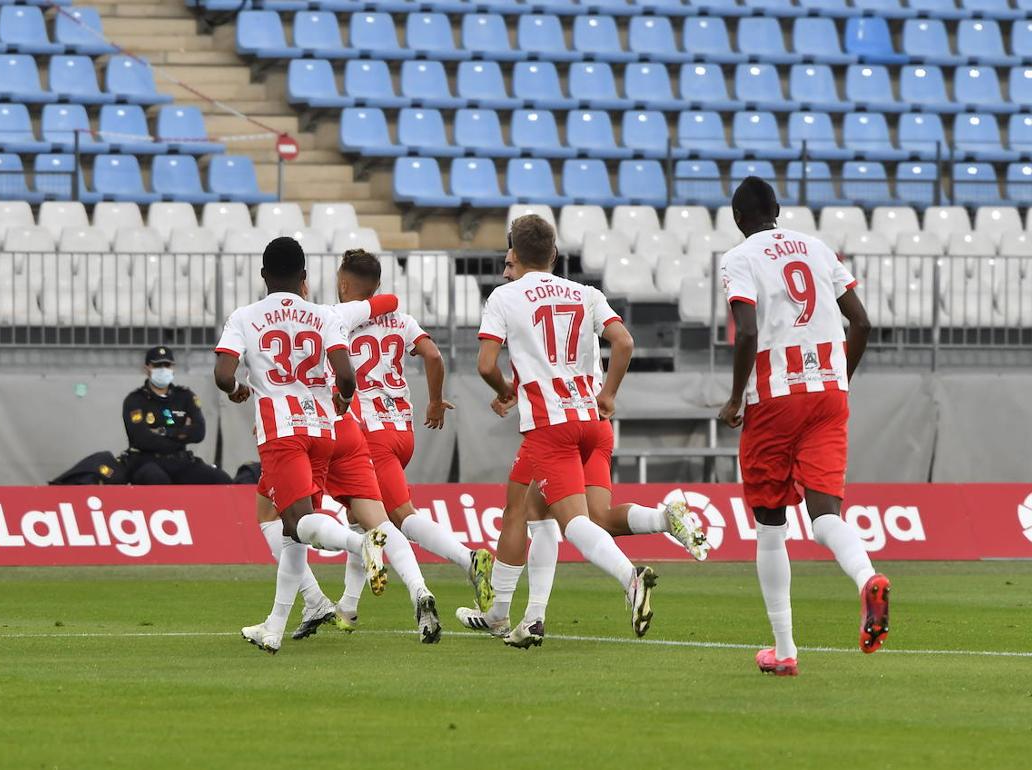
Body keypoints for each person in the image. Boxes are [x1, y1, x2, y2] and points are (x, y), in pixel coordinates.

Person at [458, 237, 709, 647]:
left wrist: (507, 390)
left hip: (550, 426)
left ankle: (629, 579)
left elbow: (486, 364)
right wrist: (608, 394)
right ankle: (533, 616)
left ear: (519, 257)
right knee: (572, 516)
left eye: (508, 262)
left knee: (561, 521)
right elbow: (624, 342)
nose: (504, 271)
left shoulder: (505, 297)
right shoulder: (586, 293)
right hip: (593, 421)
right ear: (553, 256)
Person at [214, 237, 438, 654]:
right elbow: (348, 370)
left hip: (282, 431)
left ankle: (359, 545)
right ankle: (285, 620)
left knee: (296, 522)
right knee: (293, 525)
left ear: (263, 275)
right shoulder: (324, 314)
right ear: (304, 278)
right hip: (329, 427)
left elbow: (224, 374)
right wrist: (344, 399)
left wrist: (240, 390)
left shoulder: (245, 317)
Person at [718, 176, 889, 677]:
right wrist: (840, 380)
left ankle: (785, 650)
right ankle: (866, 578)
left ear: (739, 219)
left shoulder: (740, 258)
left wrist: (734, 399)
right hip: (829, 391)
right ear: (777, 210)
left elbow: (747, 329)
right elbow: (862, 323)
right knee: (825, 516)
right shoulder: (817, 248)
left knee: (770, 526)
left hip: (775, 396)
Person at [325, 249, 495, 633]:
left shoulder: (337, 323)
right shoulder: (401, 320)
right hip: (402, 430)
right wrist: (434, 401)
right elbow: (433, 356)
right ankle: (347, 608)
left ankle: (468, 560)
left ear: (343, 283)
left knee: (399, 517)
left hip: (371, 435)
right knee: (358, 515)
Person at [123, 346, 232, 486]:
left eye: (167, 365)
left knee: (221, 479)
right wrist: (182, 434)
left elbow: (198, 432)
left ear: (173, 368)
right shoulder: (135, 400)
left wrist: (163, 432)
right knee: (157, 480)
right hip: (147, 461)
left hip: (180, 460)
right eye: (157, 365)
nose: (163, 369)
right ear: (147, 368)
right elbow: (141, 439)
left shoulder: (185, 396)